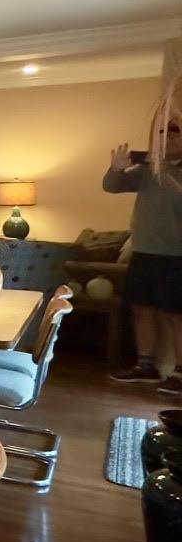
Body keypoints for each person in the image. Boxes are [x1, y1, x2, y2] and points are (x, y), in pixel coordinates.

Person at [104, 107, 182, 395]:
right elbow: (112, 186)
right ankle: (145, 366)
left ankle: (179, 374)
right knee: (141, 311)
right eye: (161, 133)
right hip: (144, 252)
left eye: (173, 134)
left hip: (176, 256)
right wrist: (117, 167)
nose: (165, 140)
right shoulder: (148, 170)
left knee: (176, 315)